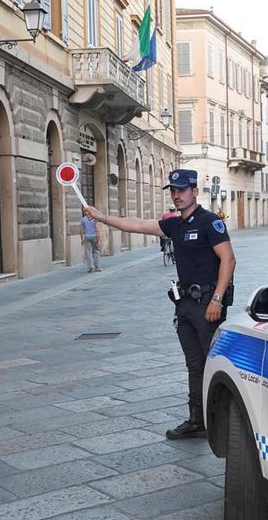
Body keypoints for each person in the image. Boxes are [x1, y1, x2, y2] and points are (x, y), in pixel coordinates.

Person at [83, 168, 236, 439]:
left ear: (194, 191)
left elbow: (228, 259)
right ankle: (198, 420)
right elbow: (138, 225)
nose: (177, 195)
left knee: (215, 363)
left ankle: (227, 422)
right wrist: (101, 217)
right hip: (185, 304)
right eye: (173, 191)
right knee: (194, 365)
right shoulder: (174, 225)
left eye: (182, 190)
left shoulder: (209, 222)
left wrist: (217, 299)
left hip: (207, 305)